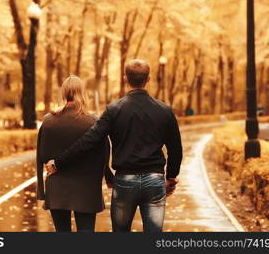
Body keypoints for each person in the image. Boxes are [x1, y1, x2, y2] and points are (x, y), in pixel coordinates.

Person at [46, 59, 182, 232]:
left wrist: (59, 163)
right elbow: (175, 149)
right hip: (154, 181)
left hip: (125, 180)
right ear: (149, 79)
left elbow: (90, 140)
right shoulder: (165, 110)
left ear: (125, 79)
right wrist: (171, 177)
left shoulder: (114, 109)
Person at [36, 75, 114, 232]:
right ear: (83, 93)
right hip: (87, 187)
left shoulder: (49, 121)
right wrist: (107, 176)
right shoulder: (93, 121)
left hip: (57, 187)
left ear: (64, 93)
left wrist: (41, 190)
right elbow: (104, 153)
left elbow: (42, 155)